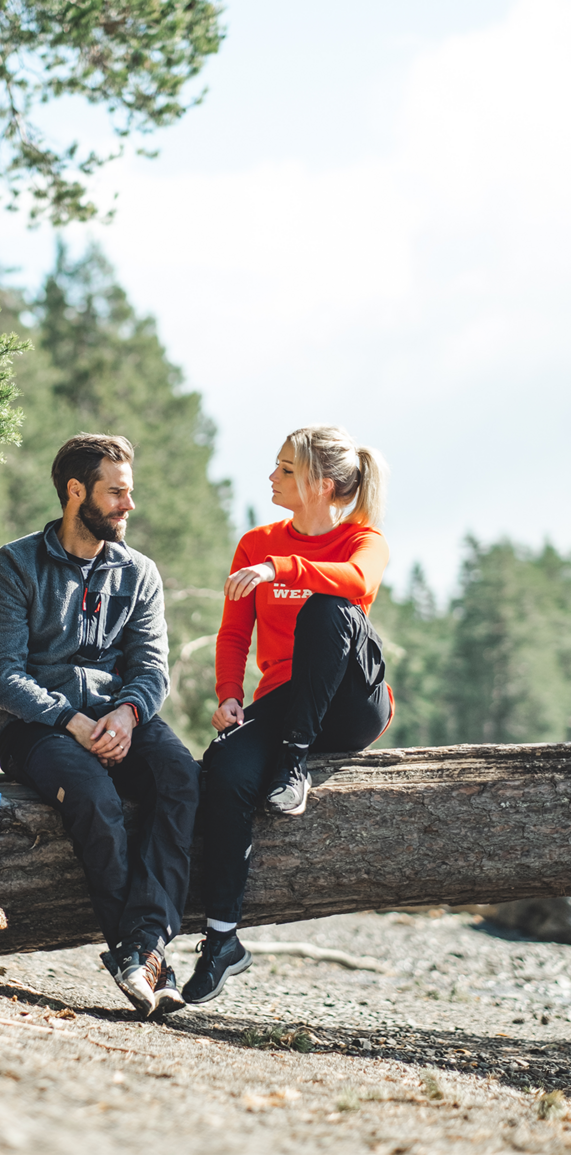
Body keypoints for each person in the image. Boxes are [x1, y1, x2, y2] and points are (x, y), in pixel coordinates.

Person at [0, 433, 201, 1016]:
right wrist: (71, 721)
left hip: (119, 715)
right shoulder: (14, 565)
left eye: (130, 493)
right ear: (77, 492)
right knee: (96, 797)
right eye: (117, 493)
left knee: (179, 774)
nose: (129, 506)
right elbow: (0, 675)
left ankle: (143, 944)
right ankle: (145, 956)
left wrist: (126, 715)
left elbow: (152, 669)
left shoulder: (139, 573)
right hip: (36, 727)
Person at [182, 424, 394, 1005]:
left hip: (352, 704)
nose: (272, 478)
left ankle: (293, 763)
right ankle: (222, 939)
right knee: (224, 767)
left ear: (322, 485)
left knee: (328, 611)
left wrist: (285, 570)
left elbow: (359, 582)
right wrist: (229, 694)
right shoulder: (255, 542)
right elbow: (233, 633)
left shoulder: (363, 539)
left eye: (285, 470)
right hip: (283, 696)